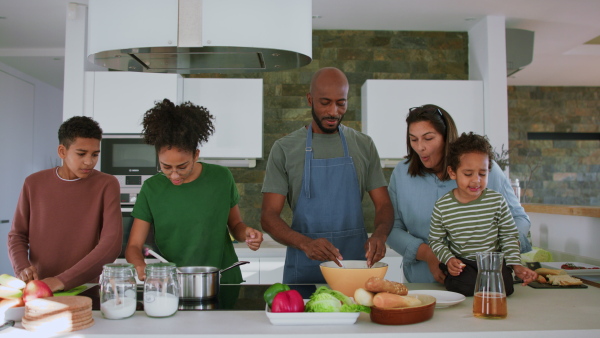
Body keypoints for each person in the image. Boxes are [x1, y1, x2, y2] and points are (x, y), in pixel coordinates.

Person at [261, 67, 394, 284]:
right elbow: (268, 216)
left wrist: (379, 235)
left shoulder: (364, 145)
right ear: (309, 99)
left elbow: (384, 205)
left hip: (354, 268)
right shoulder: (284, 148)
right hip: (303, 268)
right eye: (325, 103)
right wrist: (305, 243)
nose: (333, 111)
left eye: (341, 103)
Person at [387, 104, 532, 284]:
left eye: (428, 138)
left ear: (447, 137)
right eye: (413, 139)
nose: (420, 147)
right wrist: (430, 255)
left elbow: (519, 218)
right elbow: (391, 228)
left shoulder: (486, 172)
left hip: (483, 283)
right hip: (423, 282)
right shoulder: (401, 174)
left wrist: (507, 249)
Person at [125, 99, 263, 283]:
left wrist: (247, 234)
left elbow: (236, 225)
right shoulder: (151, 188)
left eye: (182, 166)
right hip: (175, 283)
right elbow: (134, 245)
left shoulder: (221, 177)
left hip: (223, 279)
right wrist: (139, 265)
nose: (174, 175)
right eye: (166, 167)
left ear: (196, 155)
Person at [8, 116, 122, 292]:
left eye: (95, 154)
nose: (89, 161)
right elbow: (17, 235)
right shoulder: (33, 183)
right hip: (39, 288)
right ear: (62, 151)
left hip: (86, 287)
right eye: (81, 153)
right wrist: (22, 268)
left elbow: (111, 245)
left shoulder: (107, 184)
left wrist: (60, 281)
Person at [428, 132, 537, 296]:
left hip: (492, 262)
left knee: (506, 287)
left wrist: (516, 265)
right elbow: (436, 240)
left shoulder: (497, 201)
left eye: (482, 173)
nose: (476, 180)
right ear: (452, 172)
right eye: (468, 173)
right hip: (464, 263)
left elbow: (508, 235)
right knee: (463, 283)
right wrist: (449, 260)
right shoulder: (443, 205)